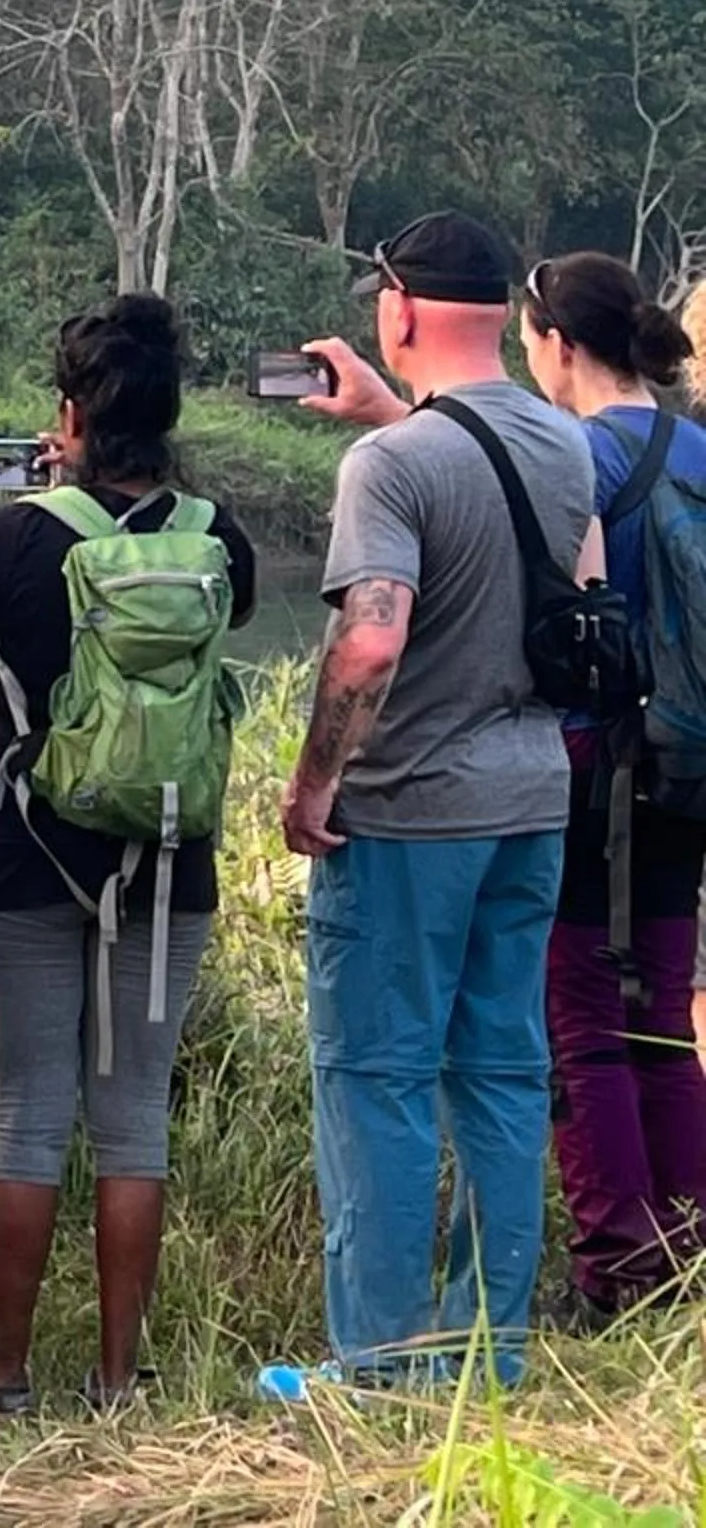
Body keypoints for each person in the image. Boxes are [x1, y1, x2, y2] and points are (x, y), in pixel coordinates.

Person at [0, 296, 259, 1414]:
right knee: (133, 1113)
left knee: (26, 1115)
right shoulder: (221, 542)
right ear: (169, 413)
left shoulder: (15, 535)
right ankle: (116, 1379)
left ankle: (6, 1377)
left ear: (67, 411)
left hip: (20, 861)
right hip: (163, 856)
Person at [265, 212, 601, 1396]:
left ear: (397, 310)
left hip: (409, 815)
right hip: (534, 800)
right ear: (506, 315)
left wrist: (314, 785)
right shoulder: (564, 447)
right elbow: (583, 592)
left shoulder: (390, 467)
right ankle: (487, 1351)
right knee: (502, 1071)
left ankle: (378, 1362)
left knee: (377, 1076)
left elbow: (370, 644)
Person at [518, 252, 706, 1320]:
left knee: (580, 1012)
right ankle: (689, 1246)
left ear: (559, 345)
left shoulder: (573, 453)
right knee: (662, 1010)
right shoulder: (699, 446)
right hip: (691, 758)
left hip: (596, 759)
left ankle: (618, 1270)